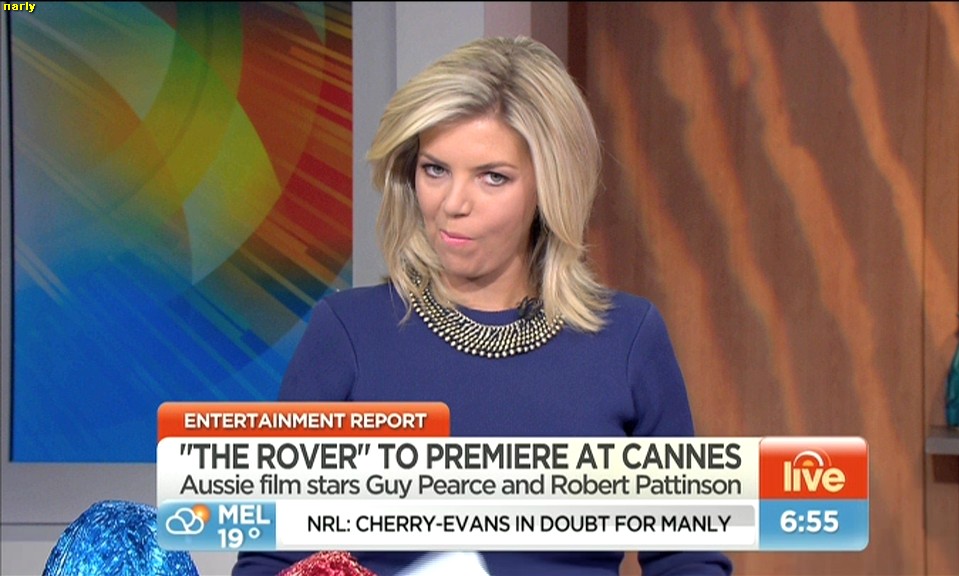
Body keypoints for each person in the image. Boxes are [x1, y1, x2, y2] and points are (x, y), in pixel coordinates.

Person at [233, 35, 732, 576]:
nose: (453, 204)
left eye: (493, 177)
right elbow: (270, 562)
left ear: (550, 187)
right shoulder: (349, 334)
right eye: (435, 170)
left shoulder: (627, 339)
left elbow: (690, 561)